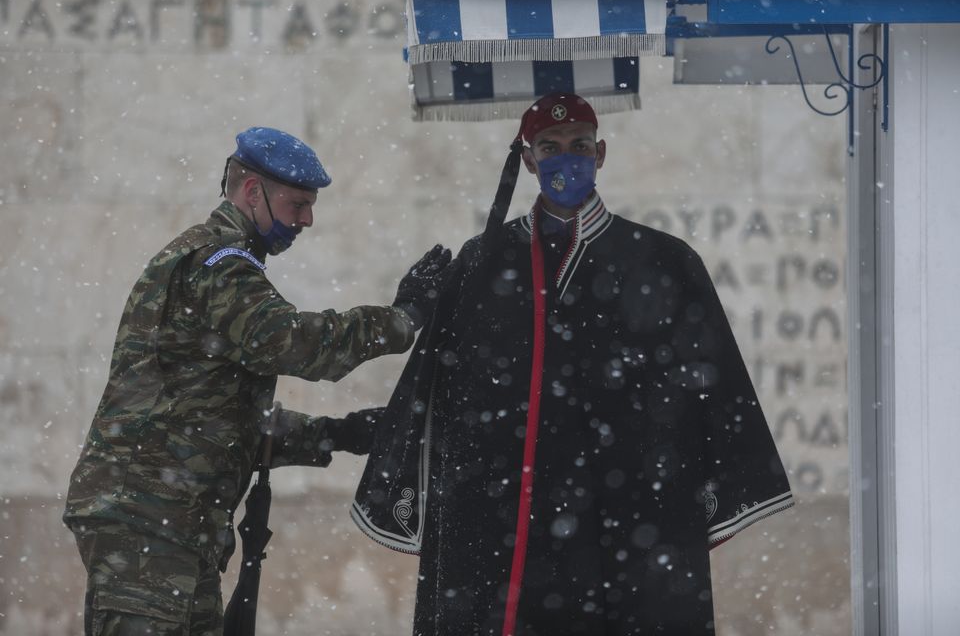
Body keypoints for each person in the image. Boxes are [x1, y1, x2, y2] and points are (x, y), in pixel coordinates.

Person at [352, 94, 794, 635]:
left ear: (601, 152)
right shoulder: (483, 260)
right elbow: (439, 396)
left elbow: (713, 390)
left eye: (579, 145)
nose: (567, 158)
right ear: (529, 159)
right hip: (506, 518)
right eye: (550, 147)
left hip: (630, 515)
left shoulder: (662, 260)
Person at [63, 126, 453, 635]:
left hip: (170, 523)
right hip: (150, 521)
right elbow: (294, 342)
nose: (307, 220)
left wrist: (337, 433)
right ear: (253, 193)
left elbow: (218, 418)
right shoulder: (216, 264)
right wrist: (401, 318)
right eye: (297, 205)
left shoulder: (220, 263)